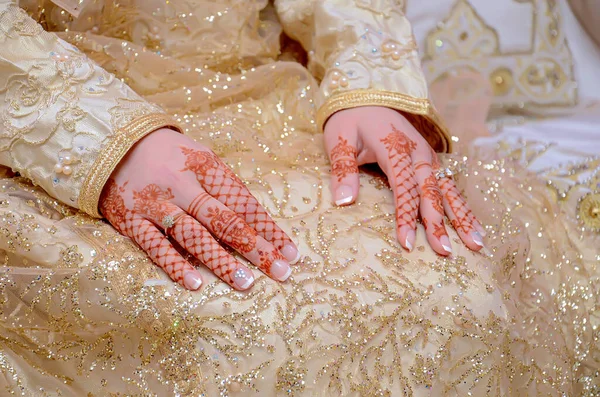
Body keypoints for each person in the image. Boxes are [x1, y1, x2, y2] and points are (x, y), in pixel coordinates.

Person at [0, 0, 597, 395]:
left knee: (457, 288)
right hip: (51, 129)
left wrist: (368, 84)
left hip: (270, 102)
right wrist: (100, 138)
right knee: (225, 324)